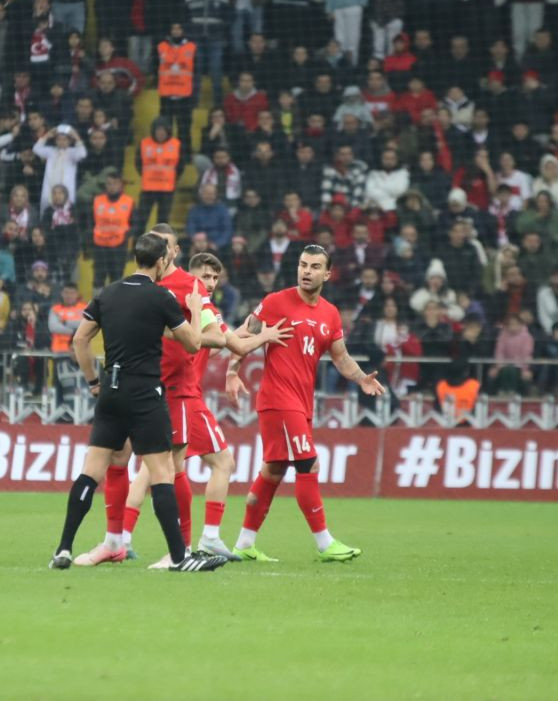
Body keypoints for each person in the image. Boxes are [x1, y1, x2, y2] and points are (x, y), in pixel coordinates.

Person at [79, 246, 289, 566]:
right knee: (198, 466)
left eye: (216, 277)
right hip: (178, 394)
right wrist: (261, 336)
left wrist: (245, 339)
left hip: (171, 392)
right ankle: (191, 545)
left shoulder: (195, 306)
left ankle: (126, 539)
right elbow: (221, 340)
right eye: (205, 276)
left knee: (154, 470)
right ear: (187, 273)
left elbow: (220, 342)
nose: (211, 282)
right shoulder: (182, 303)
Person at [50, 232, 223, 573]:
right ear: (161, 262)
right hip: (145, 393)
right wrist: (191, 312)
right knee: (162, 473)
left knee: (92, 471)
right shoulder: (160, 297)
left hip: (111, 392)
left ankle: (64, 548)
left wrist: (94, 381)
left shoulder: (109, 293)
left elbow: (80, 339)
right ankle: (179, 556)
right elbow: (191, 344)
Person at [224, 244, 385, 562]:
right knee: (308, 464)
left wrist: (362, 378)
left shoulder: (330, 313)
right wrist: (232, 371)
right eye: (302, 265)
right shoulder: (275, 302)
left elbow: (341, 358)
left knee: (273, 470)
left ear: (327, 273)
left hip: (300, 402)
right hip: (279, 400)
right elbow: (240, 335)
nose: (306, 271)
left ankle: (244, 544)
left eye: (314, 266)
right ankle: (325, 544)